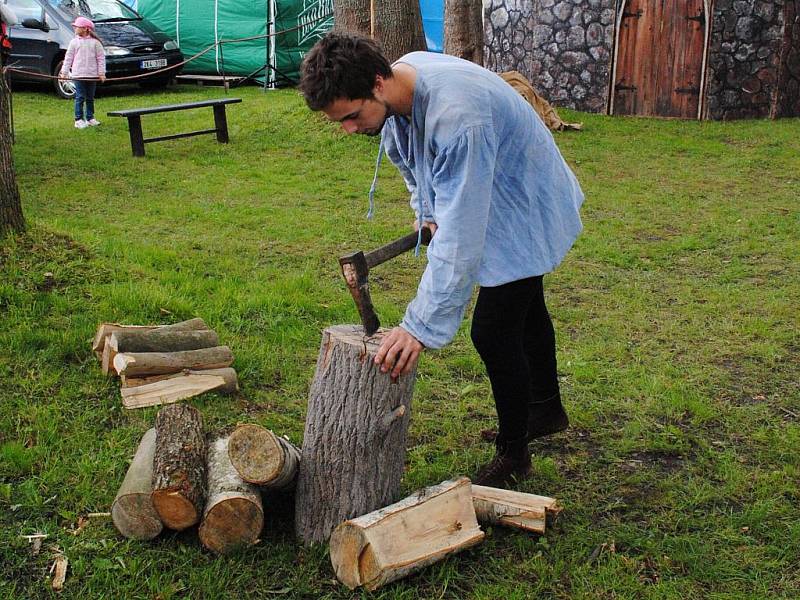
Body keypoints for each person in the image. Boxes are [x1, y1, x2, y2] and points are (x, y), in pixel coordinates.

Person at [299, 33, 584, 488]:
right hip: (492, 191)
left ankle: (514, 452)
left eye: (351, 116)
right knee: (526, 310)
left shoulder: (457, 117)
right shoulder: (400, 88)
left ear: (377, 82)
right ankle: (545, 410)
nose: (348, 130)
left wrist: (419, 326)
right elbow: (418, 170)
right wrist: (428, 216)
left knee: (494, 329)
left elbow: (463, 236)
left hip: (525, 204)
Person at [59, 16, 105, 129]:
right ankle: (78, 119)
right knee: (80, 97)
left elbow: (101, 58)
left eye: (77, 27)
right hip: (78, 75)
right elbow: (68, 58)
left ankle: (90, 118)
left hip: (92, 75)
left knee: (90, 97)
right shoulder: (74, 42)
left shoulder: (96, 43)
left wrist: (101, 73)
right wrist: (64, 72)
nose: (75, 28)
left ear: (85, 29)